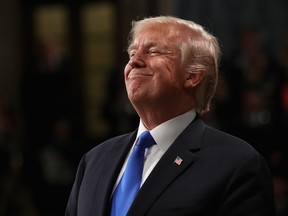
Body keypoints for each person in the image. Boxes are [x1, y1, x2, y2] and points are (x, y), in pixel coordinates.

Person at [65, 16, 275, 216]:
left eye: (153, 51)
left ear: (192, 76)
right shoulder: (94, 161)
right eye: (132, 53)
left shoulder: (237, 165)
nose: (134, 62)